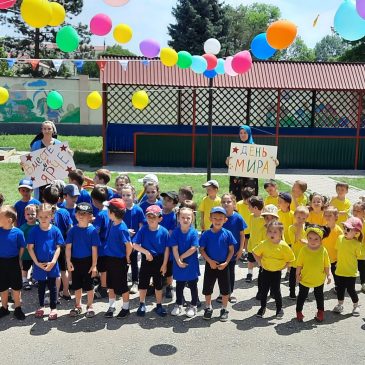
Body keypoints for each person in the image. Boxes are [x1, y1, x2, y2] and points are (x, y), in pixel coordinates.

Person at [27, 203, 64, 320]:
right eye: (41, 217)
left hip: (52, 263)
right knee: (41, 286)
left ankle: (53, 307)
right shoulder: (34, 231)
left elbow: (59, 247)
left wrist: (53, 262)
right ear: (37, 216)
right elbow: (30, 248)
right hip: (39, 263)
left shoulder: (55, 230)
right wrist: (36, 263)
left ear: (51, 216)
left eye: (46, 217)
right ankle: (42, 306)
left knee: (53, 286)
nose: (43, 219)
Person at [199, 207, 236, 322]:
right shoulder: (206, 234)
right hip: (211, 265)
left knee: (225, 289)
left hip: (223, 265)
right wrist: (209, 261)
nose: (218, 220)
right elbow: (201, 249)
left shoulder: (228, 234)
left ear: (225, 220)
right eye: (215, 218)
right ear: (210, 219)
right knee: (208, 288)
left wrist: (226, 262)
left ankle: (224, 309)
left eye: (220, 218)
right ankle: (208, 307)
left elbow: (231, 250)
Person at [253, 221, 295, 318]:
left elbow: (291, 259)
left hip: (276, 272)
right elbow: (255, 252)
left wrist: (284, 267)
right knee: (264, 291)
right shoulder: (264, 243)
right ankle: (262, 307)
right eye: (270, 231)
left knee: (276, 291)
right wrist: (260, 263)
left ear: (281, 233)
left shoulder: (283, 245)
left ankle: (279, 309)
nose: (272, 234)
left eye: (275, 232)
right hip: (265, 271)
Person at [133, 205, 170, 317]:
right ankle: (142, 303)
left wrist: (164, 264)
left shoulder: (164, 232)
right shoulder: (143, 229)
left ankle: (159, 305)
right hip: (146, 260)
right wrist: (146, 252)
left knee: (158, 285)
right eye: (149, 217)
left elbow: (167, 249)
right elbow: (135, 245)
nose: (151, 219)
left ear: (160, 218)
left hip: (159, 260)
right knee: (143, 283)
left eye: (154, 217)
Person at [66, 203, 99, 318]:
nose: (81, 216)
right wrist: (68, 261)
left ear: (90, 216)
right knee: (77, 286)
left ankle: (90, 306)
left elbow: (94, 249)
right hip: (75, 261)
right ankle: (77, 305)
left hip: (88, 262)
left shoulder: (93, 231)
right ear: (75, 215)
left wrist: (94, 265)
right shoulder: (72, 230)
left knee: (89, 286)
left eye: (84, 214)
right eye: (79, 213)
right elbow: (68, 247)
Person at [103, 199, 133, 319]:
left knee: (122, 286)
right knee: (110, 285)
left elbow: (129, 245)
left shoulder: (121, 227)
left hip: (119, 261)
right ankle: (112, 306)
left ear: (113, 213)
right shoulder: (113, 223)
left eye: (108, 210)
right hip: (110, 258)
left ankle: (125, 308)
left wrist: (127, 257)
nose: (106, 212)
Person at [295, 224, 331, 323]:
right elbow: (299, 264)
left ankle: (320, 312)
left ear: (321, 240)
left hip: (319, 279)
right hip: (305, 278)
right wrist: (297, 275)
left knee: (319, 296)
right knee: (302, 296)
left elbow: (326, 265)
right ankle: (299, 312)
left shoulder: (323, 250)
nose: (312, 241)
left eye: (316, 239)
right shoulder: (304, 250)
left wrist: (328, 275)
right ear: (307, 238)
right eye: (310, 238)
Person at [169, 207, 200, 318]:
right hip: (178, 263)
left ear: (192, 219)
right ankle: (178, 304)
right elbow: (174, 248)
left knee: (192, 285)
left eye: (188, 217)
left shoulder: (193, 232)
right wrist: (178, 261)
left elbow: (193, 248)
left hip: (191, 263)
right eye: (183, 217)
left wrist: (181, 257)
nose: (185, 220)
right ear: (178, 218)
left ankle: (193, 305)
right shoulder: (176, 232)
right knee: (179, 285)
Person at [0, 205, 26, 320]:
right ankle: (4, 308)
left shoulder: (18, 233)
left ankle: (18, 308)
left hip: (13, 262)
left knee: (16, 287)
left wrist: (19, 259)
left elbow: (21, 247)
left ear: (9, 220)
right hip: (1, 262)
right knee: (2, 287)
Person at [219, 193, 247, 303]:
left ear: (234, 203)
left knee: (230, 272)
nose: (226, 204)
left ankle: (230, 293)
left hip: (234, 251)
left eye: (228, 201)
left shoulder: (238, 218)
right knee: (221, 273)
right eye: (224, 202)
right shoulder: (219, 217)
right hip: (221, 251)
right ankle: (223, 292)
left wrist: (241, 249)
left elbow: (242, 234)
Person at [333, 217, 363, 316]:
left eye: (348, 229)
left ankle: (356, 305)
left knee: (351, 290)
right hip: (340, 270)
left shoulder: (357, 244)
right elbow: (338, 251)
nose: (345, 230)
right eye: (345, 227)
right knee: (340, 289)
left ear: (356, 233)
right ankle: (340, 304)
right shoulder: (340, 238)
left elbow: (358, 256)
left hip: (351, 272)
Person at [121, 184, 145, 294]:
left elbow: (141, 227)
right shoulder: (120, 210)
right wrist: (126, 232)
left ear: (134, 196)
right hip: (122, 242)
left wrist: (136, 241)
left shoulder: (138, 210)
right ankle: (122, 282)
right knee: (123, 262)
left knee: (134, 263)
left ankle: (135, 282)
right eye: (123, 195)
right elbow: (116, 224)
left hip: (134, 242)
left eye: (128, 195)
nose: (126, 197)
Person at [29, 121, 62, 201]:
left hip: (54, 176)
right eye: (44, 129)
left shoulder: (58, 144)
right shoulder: (36, 144)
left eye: (49, 129)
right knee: (40, 200)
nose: (47, 131)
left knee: (54, 197)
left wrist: (69, 153)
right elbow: (32, 161)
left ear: (53, 130)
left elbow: (62, 160)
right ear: (42, 130)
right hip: (40, 178)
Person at [226, 125, 259, 199]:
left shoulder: (256, 148)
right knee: (237, 199)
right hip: (237, 180)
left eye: (245, 133)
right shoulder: (236, 148)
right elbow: (229, 164)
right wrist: (228, 161)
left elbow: (262, 163)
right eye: (241, 133)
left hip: (250, 180)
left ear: (249, 134)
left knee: (250, 200)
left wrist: (274, 162)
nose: (242, 135)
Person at [90, 185, 110, 299]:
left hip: (101, 246)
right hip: (108, 244)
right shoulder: (107, 210)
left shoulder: (100, 215)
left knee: (102, 269)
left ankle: (103, 288)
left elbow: (96, 231)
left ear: (94, 200)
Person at [287, 206, 309, 299]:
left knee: (304, 275)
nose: (301, 220)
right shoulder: (291, 228)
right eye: (299, 217)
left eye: (303, 218)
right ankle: (292, 292)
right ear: (295, 216)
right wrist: (299, 227)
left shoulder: (307, 227)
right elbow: (295, 240)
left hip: (305, 255)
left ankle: (303, 292)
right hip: (295, 255)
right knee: (293, 275)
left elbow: (310, 240)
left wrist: (307, 242)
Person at [160, 191, 178, 299]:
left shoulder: (173, 216)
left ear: (174, 204)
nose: (165, 202)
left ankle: (169, 286)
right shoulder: (158, 212)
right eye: (164, 199)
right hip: (157, 245)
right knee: (158, 265)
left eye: (169, 200)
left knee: (169, 269)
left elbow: (170, 232)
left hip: (168, 246)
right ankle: (158, 284)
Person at [322, 206, 343, 293]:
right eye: (325, 215)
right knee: (321, 272)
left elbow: (342, 246)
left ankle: (338, 286)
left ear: (336, 217)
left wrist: (340, 259)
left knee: (336, 273)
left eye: (330, 215)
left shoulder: (339, 231)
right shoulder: (323, 228)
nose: (327, 217)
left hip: (335, 257)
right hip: (324, 256)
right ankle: (318, 287)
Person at [245, 196, 265, 283]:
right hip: (252, 243)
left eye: (249, 206)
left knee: (261, 261)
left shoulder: (264, 218)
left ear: (255, 208)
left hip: (261, 245)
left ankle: (262, 274)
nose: (248, 207)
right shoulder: (251, 216)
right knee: (250, 260)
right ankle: (249, 274)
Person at [19, 204, 39, 290]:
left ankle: (34, 278)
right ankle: (24, 280)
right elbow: (20, 240)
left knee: (36, 265)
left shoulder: (39, 225)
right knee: (25, 267)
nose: (30, 216)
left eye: (33, 214)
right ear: (24, 216)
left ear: (37, 215)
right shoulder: (23, 227)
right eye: (28, 214)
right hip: (26, 253)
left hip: (36, 251)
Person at [352, 201, 365, 292]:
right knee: (351, 267)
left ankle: (363, 283)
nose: (355, 212)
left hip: (362, 252)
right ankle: (346, 283)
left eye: (358, 211)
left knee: (362, 268)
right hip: (351, 251)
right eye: (354, 210)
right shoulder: (350, 223)